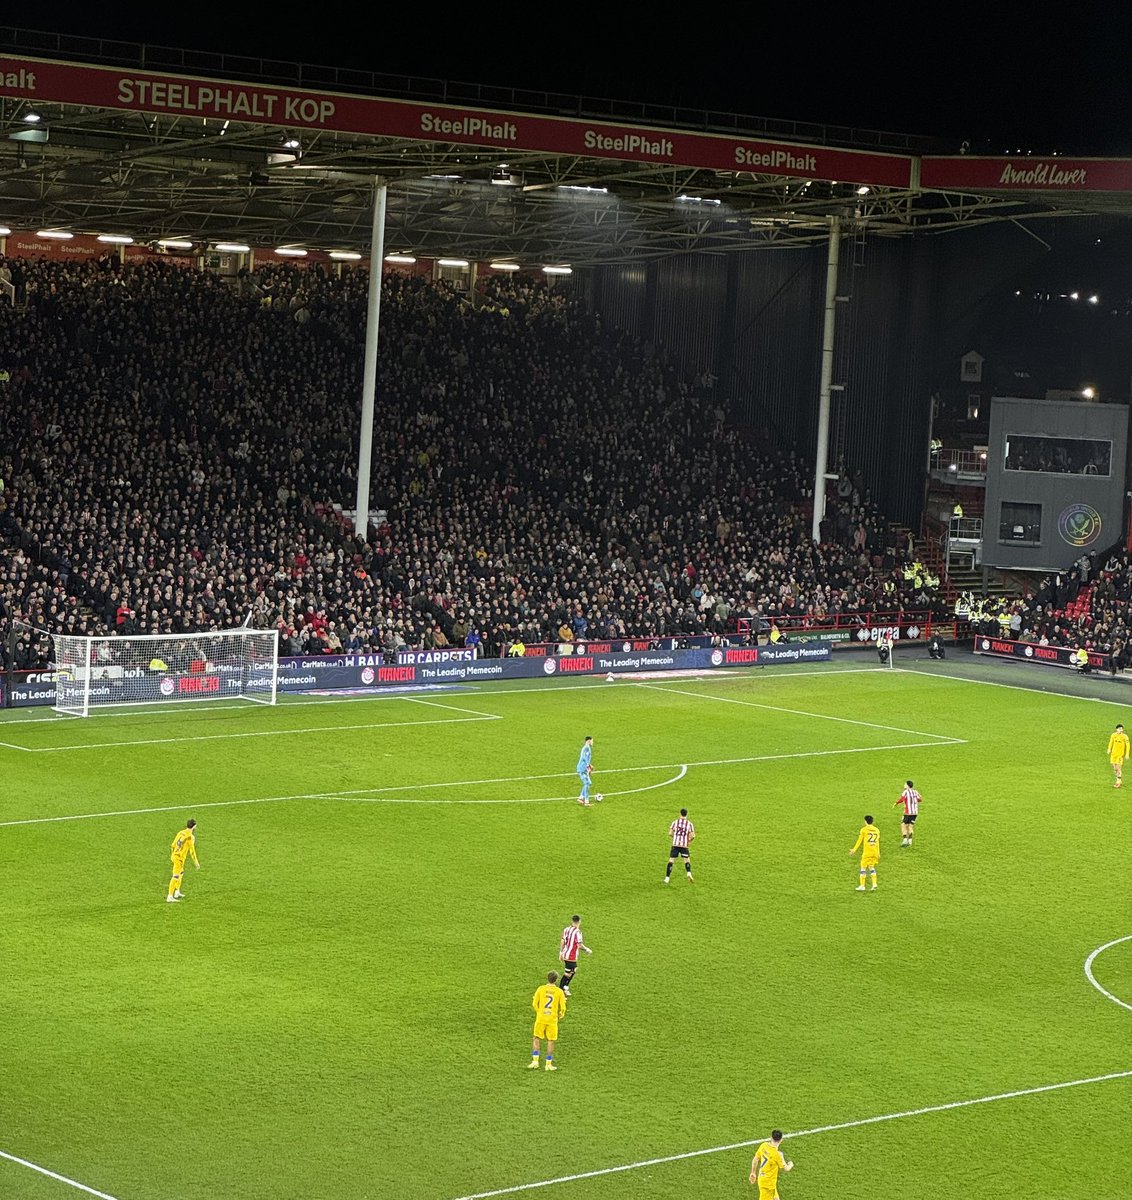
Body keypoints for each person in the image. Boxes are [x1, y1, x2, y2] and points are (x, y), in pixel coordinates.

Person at [528, 969, 567, 1071]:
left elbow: (534, 1004)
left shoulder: (541, 989)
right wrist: (560, 1014)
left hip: (541, 1018)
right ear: (556, 980)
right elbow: (562, 1008)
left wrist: (539, 1012)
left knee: (536, 1038)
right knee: (550, 1041)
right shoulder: (559, 992)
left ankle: (535, 1061)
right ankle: (548, 1064)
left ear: (547, 978)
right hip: (552, 1020)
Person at [749, 1130, 793, 1198]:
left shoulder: (763, 1146)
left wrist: (753, 1172)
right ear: (781, 1140)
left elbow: (756, 1159)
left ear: (771, 1137)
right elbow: (786, 1168)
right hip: (768, 1185)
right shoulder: (777, 1155)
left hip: (764, 1179)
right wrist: (791, 1164)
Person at [558, 914, 593, 996]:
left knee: (573, 970)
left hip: (566, 954)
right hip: (571, 956)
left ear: (572, 921)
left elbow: (562, 941)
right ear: (579, 921)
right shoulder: (578, 932)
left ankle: (565, 987)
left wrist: (561, 952)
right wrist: (587, 949)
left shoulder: (566, 929)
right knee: (567, 973)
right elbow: (579, 945)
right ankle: (561, 990)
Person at [166, 818, 200, 902]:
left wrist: (173, 855)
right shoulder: (190, 837)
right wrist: (196, 862)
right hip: (179, 858)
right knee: (175, 876)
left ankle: (177, 892)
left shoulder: (180, 832)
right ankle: (170, 896)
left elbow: (173, 845)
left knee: (181, 872)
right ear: (194, 826)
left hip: (174, 856)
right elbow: (192, 851)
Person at [665, 807, 695, 884]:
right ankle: (688, 873)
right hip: (684, 845)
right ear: (686, 814)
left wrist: (674, 837)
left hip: (675, 844)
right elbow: (693, 835)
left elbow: (670, 833)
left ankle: (667, 878)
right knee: (686, 860)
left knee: (671, 861)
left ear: (680, 813)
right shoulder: (689, 824)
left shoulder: (675, 822)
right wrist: (689, 841)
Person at [849, 814, 879, 890]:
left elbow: (860, 841)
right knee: (871, 867)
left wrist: (854, 849)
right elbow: (877, 842)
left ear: (865, 821)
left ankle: (862, 886)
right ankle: (874, 884)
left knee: (863, 868)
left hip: (867, 852)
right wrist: (878, 853)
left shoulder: (864, 830)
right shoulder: (877, 830)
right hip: (875, 852)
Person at [576, 735, 602, 805]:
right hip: (582, 768)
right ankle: (586, 801)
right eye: (592, 740)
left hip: (583, 768)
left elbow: (585, 758)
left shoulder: (586, 748)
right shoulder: (586, 748)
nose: (593, 742)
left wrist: (589, 765)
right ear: (589, 741)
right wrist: (588, 766)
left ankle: (581, 797)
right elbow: (584, 757)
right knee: (587, 783)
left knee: (588, 783)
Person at [895, 779, 922, 846]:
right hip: (915, 813)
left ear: (907, 785)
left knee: (903, 825)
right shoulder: (915, 792)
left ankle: (904, 840)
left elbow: (902, 799)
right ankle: (910, 841)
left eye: (905, 784)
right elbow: (920, 799)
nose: (904, 785)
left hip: (908, 812)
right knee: (910, 826)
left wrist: (896, 803)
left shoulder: (906, 791)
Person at [1107, 723, 1130, 788]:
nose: (1121, 730)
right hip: (1113, 755)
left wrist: (1127, 754)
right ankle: (1119, 780)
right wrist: (1109, 749)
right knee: (1114, 769)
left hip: (1119, 755)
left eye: (1122, 729)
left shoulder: (1125, 736)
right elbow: (1111, 742)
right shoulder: (1113, 735)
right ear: (1116, 729)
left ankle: (1118, 782)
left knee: (1118, 768)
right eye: (1119, 729)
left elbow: (1128, 745)